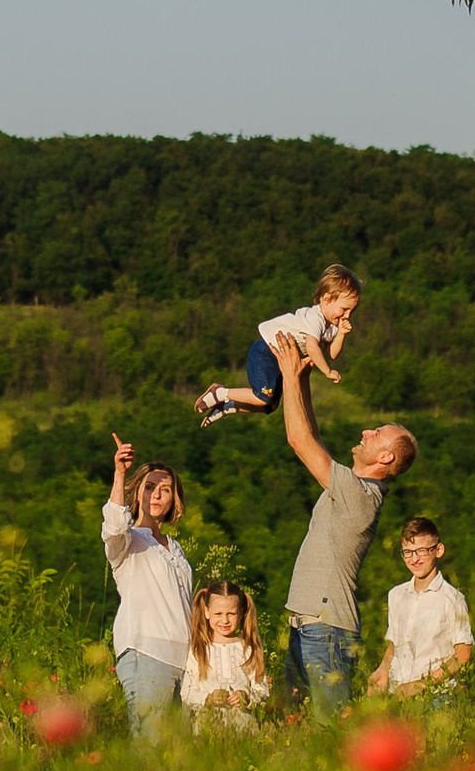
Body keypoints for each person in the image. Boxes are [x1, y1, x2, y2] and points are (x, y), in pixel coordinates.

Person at [269, 330, 417, 714]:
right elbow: (313, 436)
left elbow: (299, 441)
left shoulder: (362, 495)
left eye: (377, 435)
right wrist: (303, 380)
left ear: (386, 458)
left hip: (327, 630)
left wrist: (288, 374)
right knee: (296, 726)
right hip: (309, 626)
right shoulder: (350, 485)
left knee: (329, 730)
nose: (366, 432)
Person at [102, 433, 192, 741]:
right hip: (147, 653)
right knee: (149, 748)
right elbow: (114, 527)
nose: (156, 495)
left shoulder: (176, 548)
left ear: (173, 500)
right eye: (149, 487)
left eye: (164, 490)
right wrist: (120, 473)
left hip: (186, 662)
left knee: (180, 754)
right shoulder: (129, 540)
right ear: (137, 493)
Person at [194, 264, 361, 425]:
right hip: (266, 352)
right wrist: (327, 371)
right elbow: (312, 347)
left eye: (351, 311)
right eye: (344, 309)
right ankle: (220, 393)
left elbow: (332, 353)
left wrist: (341, 334)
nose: (347, 315)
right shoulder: (314, 317)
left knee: (270, 405)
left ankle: (228, 407)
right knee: (263, 397)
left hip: (281, 361)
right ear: (327, 299)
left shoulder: (332, 327)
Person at [368, 517, 474, 697]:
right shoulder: (396, 595)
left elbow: (463, 655)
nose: (414, 559)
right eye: (408, 552)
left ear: (438, 550)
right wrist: (383, 670)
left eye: (421, 551)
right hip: (397, 694)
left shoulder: (452, 599)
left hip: (436, 695)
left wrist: (420, 685)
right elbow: (395, 643)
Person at [180, 580, 270, 731]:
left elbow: (262, 690)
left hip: (244, 730)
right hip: (207, 730)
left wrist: (247, 697)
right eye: (218, 614)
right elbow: (186, 693)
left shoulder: (248, 649)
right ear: (207, 612)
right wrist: (207, 699)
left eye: (231, 614)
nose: (225, 620)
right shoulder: (199, 650)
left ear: (240, 613)